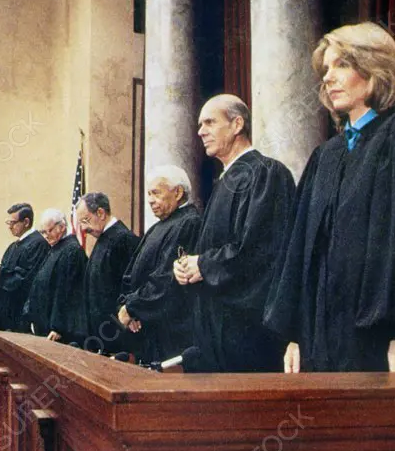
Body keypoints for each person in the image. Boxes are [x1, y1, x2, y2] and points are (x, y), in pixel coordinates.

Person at [264, 22, 395, 373]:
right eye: (326, 69)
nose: (328, 77)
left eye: (342, 64)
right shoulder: (325, 156)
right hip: (325, 342)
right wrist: (295, 333)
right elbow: (299, 252)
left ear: (375, 69)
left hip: (386, 343)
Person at [173, 95, 296, 373]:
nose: (200, 131)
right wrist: (188, 266)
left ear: (237, 124)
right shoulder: (227, 179)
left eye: (210, 122)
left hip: (246, 332)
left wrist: (202, 265)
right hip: (216, 329)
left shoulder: (264, 173)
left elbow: (260, 250)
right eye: (200, 124)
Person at [118, 166, 202, 364]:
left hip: (172, 333)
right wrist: (130, 307)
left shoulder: (188, 223)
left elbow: (166, 278)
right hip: (147, 326)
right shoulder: (158, 226)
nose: (149, 200)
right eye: (148, 193)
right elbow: (130, 274)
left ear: (178, 192)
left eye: (156, 193)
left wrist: (132, 307)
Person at [76, 192, 140, 354]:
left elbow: (130, 286)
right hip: (103, 337)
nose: (83, 229)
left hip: (116, 339)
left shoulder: (123, 239)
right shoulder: (105, 239)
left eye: (85, 220)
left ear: (101, 213)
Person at [25, 209, 87, 343]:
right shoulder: (56, 248)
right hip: (43, 324)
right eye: (43, 232)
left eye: (49, 230)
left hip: (57, 331)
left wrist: (58, 327)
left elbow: (68, 292)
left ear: (62, 227)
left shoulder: (72, 251)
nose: (46, 236)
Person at [0, 203, 49, 332]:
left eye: (13, 223)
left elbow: (26, 278)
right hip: (8, 311)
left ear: (26, 222)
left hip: (21, 311)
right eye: (8, 223)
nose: (9, 227)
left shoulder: (38, 243)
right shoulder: (13, 246)